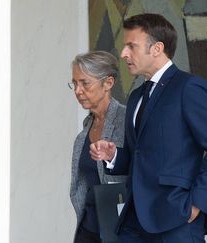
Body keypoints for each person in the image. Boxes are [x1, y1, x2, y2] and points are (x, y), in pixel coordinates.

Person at [90, 13, 207, 243]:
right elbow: (142, 155)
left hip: (175, 218)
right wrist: (114, 155)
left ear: (156, 48)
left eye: (131, 46)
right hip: (134, 220)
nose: (124, 54)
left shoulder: (189, 88)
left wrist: (197, 204)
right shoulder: (136, 96)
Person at [69, 51, 127, 243]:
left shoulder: (127, 121)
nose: (78, 90)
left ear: (108, 83)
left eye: (85, 83)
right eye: (75, 83)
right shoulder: (85, 130)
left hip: (121, 231)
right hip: (88, 229)